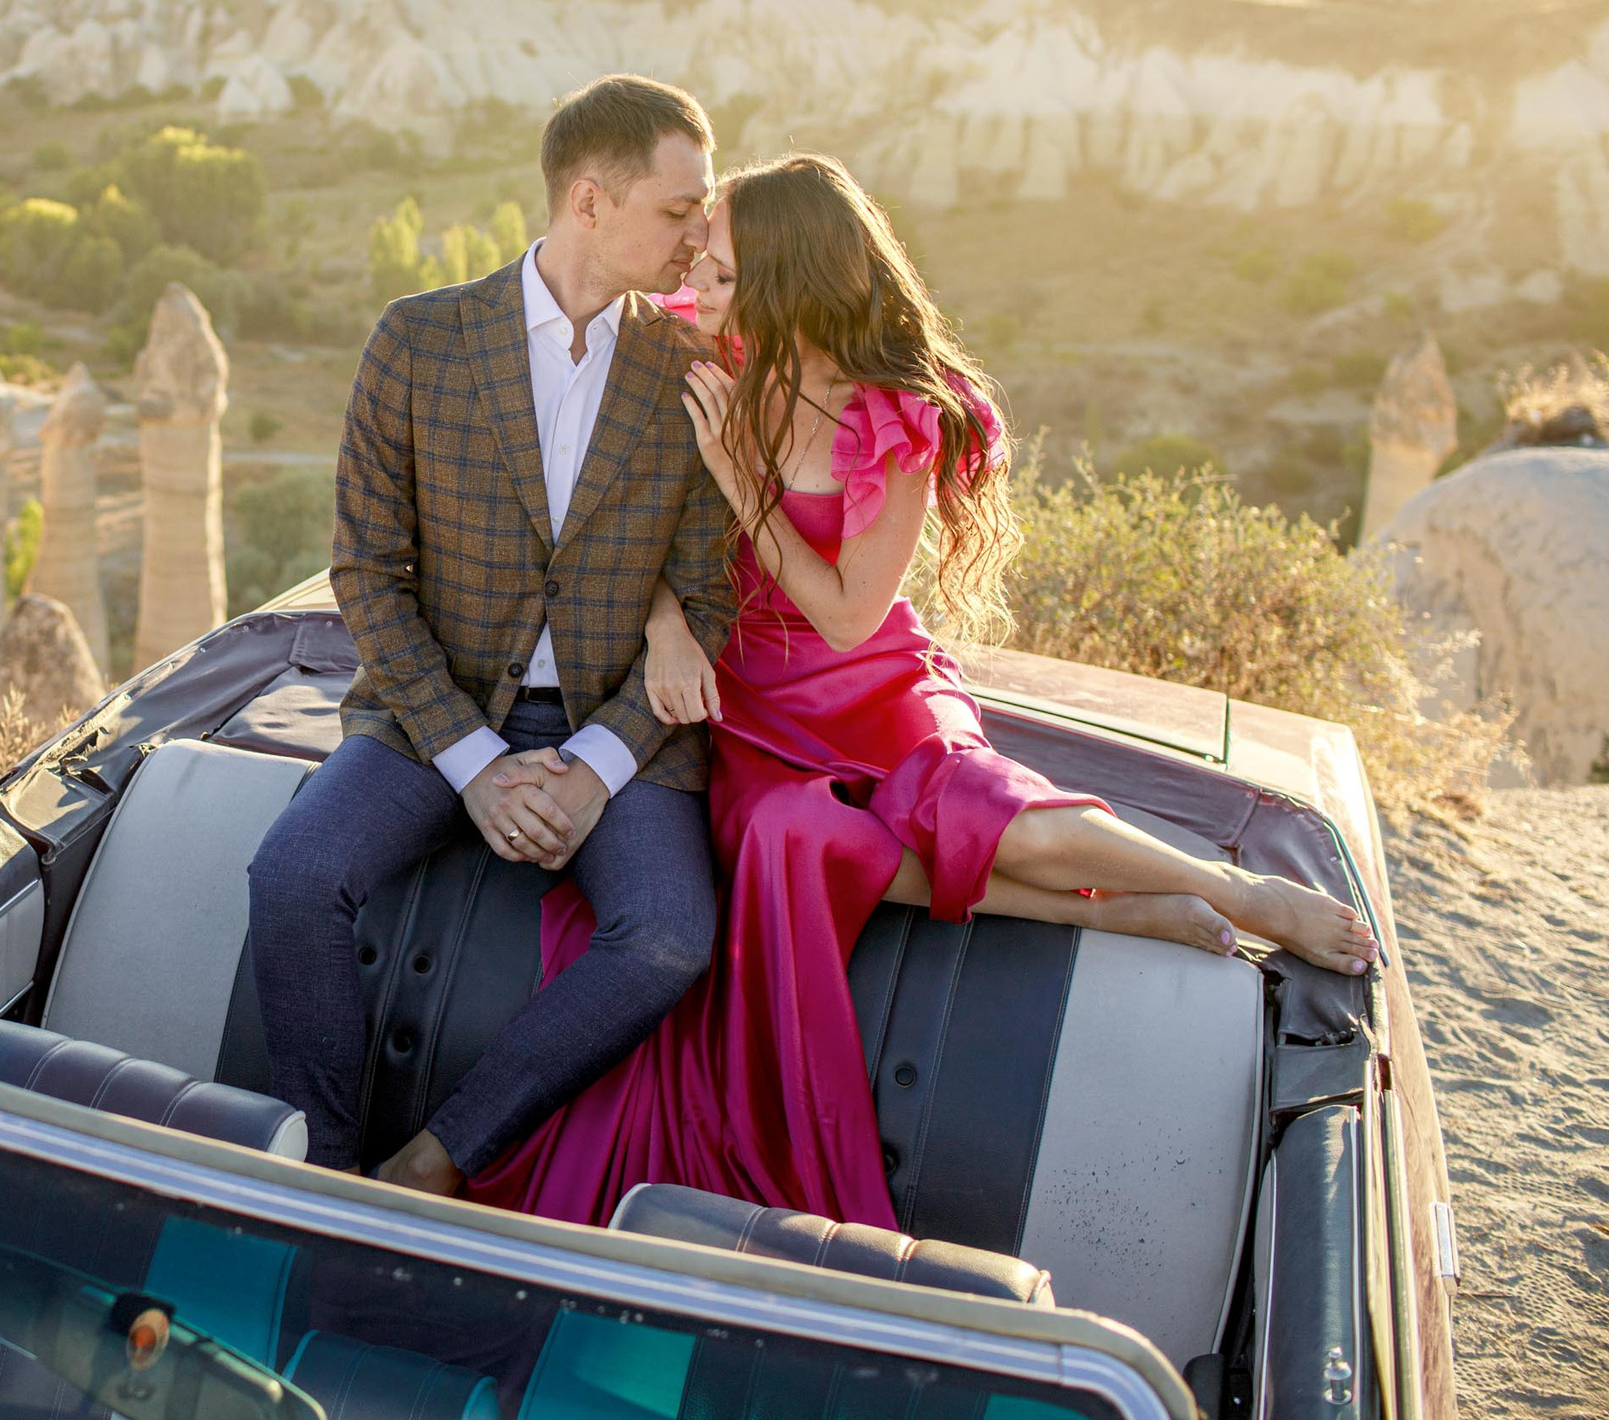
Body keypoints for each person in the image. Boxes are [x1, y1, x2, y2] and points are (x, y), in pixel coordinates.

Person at [467, 152, 1379, 1229]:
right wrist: (666, 620)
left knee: (963, 805)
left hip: (867, 682)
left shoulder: (890, 413)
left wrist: (738, 484)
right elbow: (633, 539)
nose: (694, 290)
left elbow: (850, 613)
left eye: (718, 273)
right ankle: (1136, 912)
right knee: (788, 842)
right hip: (754, 704)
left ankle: (1232, 894)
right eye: (699, 267)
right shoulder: (706, 355)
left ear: (786, 277)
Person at [246, 75, 738, 1197]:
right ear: (589, 201)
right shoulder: (416, 342)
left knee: (666, 937)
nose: (698, 238)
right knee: (291, 875)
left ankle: (439, 1157)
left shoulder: (692, 377)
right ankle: (319, 1172)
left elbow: (706, 598)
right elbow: (368, 574)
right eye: (679, 212)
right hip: (434, 717)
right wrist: (474, 766)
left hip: (621, 731)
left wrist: (596, 767)